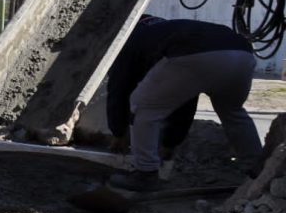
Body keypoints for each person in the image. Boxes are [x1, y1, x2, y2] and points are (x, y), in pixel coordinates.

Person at [106, 15, 263, 191]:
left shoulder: (130, 38)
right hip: (243, 55)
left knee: (142, 106)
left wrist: (118, 132)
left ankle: (145, 173)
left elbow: (118, 88)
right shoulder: (172, 30)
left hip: (197, 55)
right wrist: (170, 143)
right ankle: (259, 170)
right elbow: (185, 98)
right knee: (233, 113)